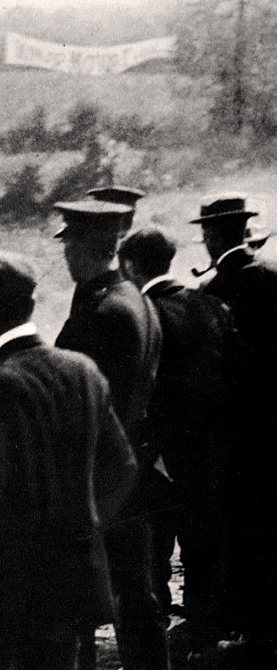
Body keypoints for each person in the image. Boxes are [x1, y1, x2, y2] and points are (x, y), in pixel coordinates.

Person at [0, 251, 137, 670]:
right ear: (30, 305)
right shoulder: (83, 370)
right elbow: (122, 468)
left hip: (10, 595)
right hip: (74, 581)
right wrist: (83, 529)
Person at [53, 191, 170, 670]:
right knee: (136, 596)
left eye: (68, 244)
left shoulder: (101, 314)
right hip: (132, 468)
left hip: (102, 480)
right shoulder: (134, 300)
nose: (65, 254)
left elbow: (81, 408)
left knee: (107, 601)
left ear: (82, 248)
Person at [118, 226, 239, 654]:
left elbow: (138, 391)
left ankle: (161, 640)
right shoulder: (210, 304)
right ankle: (202, 635)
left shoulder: (139, 315)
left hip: (158, 459)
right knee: (203, 546)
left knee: (152, 555)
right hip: (210, 452)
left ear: (130, 266)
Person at [190, 193, 277, 657]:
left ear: (209, 236)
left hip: (235, 432)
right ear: (244, 229)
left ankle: (253, 628)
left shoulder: (211, 292)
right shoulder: (273, 275)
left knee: (242, 526)